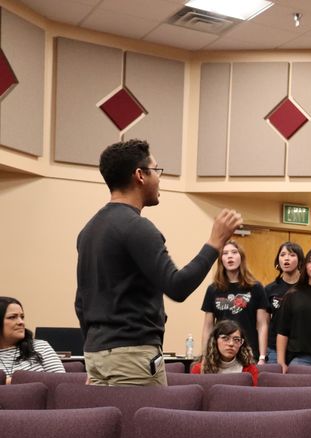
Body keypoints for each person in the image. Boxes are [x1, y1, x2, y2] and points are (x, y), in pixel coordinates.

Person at [75, 139, 242, 386]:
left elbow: (81, 303)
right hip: (132, 356)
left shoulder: (89, 230)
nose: (159, 178)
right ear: (140, 175)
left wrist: (98, 352)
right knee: (142, 425)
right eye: (157, 170)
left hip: (96, 354)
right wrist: (215, 243)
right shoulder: (137, 227)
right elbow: (177, 286)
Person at [200, 240, 270, 364]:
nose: (230, 256)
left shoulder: (256, 287)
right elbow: (208, 326)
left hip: (248, 352)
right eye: (225, 253)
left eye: (234, 252)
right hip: (221, 352)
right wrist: (205, 356)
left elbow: (262, 325)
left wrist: (262, 357)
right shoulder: (213, 289)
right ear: (221, 260)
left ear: (241, 258)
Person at [0, 297, 66, 381]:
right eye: (12, 317)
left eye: (22, 317)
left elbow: (61, 381)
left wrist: (10, 381)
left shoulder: (41, 347)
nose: (21, 322)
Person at [265, 241, 304, 364]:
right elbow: (264, 323)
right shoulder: (270, 289)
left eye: (292, 255)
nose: (286, 258)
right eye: (282, 255)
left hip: (300, 350)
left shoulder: (307, 288)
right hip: (274, 348)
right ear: (278, 260)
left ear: (300, 260)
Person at [191, 319, 259, 384]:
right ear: (215, 341)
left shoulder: (250, 370)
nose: (231, 344)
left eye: (236, 339)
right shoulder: (199, 369)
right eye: (225, 338)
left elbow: (253, 395)